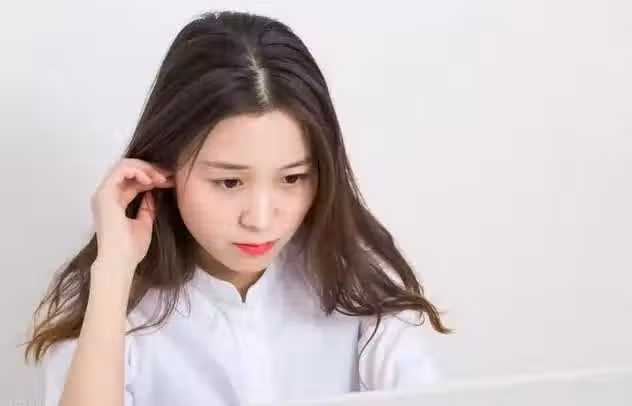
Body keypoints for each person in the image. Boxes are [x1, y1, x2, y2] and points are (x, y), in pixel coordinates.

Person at [24, 10, 451, 406]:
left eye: (292, 179)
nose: (260, 219)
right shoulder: (110, 297)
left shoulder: (356, 280)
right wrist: (113, 271)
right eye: (229, 182)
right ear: (166, 167)